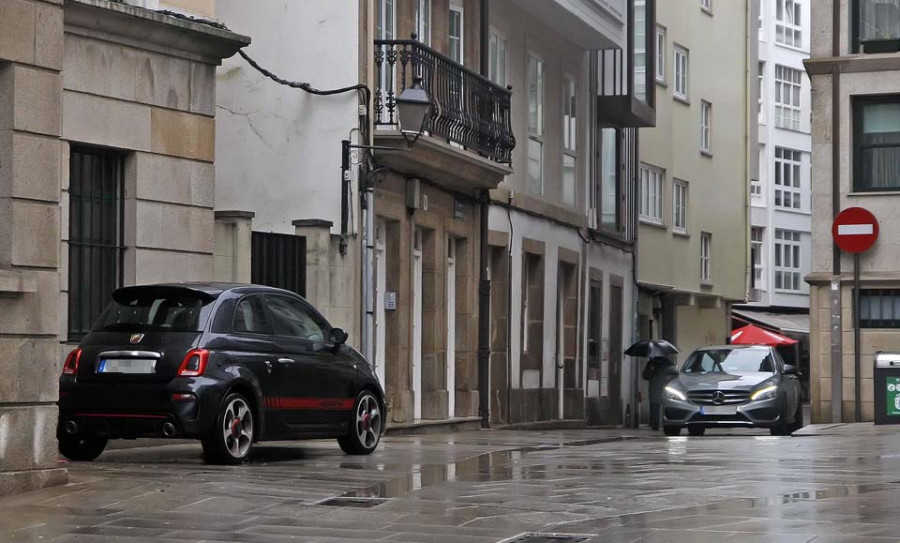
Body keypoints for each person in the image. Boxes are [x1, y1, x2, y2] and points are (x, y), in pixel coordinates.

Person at [643, 356, 675, 430]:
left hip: (663, 387)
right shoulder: (653, 363)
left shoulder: (667, 364)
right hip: (658, 387)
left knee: (660, 406)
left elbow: (645, 375)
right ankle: (656, 424)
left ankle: (659, 424)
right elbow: (645, 375)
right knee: (656, 407)